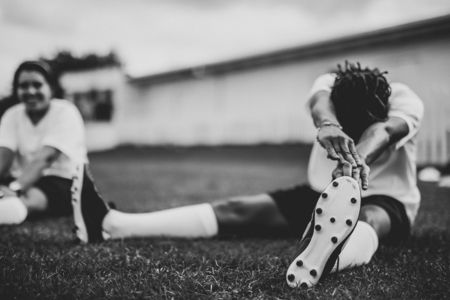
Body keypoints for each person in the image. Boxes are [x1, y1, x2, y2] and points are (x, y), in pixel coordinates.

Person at [73, 62, 423, 288]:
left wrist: (356, 159)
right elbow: (319, 104)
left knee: (369, 218)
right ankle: (113, 224)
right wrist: (329, 126)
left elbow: (385, 132)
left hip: (386, 199)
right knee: (238, 208)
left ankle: (327, 258)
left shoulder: (406, 99)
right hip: (319, 193)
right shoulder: (328, 85)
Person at [0, 60, 89, 224]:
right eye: (23, 86)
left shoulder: (65, 112)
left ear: (51, 88)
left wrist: (15, 189)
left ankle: (11, 210)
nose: (30, 91)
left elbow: (45, 159)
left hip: (63, 180)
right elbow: (3, 155)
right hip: (22, 177)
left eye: (37, 85)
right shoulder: (12, 115)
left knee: (29, 197)